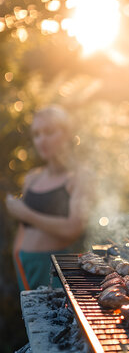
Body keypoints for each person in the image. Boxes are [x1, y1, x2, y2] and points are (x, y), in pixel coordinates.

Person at [5, 105, 89, 291]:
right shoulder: (32, 178)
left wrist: (25, 214)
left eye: (49, 131)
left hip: (56, 269)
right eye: (36, 134)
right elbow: (22, 231)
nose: (42, 140)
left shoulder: (79, 177)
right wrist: (18, 259)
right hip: (26, 267)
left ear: (67, 134)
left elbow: (73, 228)